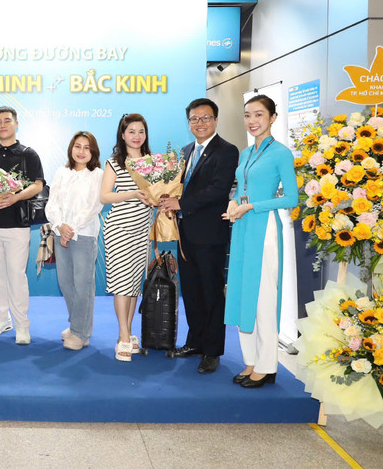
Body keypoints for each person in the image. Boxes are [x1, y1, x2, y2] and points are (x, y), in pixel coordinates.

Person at [158, 98, 239, 374]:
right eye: (194, 118)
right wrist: (166, 196)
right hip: (185, 234)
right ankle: (195, 342)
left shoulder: (227, 150)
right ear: (189, 122)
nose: (200, 123)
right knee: (191, 292)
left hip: (210, 234)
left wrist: (181, 203)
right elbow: (182, 186)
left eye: (205, 118)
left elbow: (218, 189)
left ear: (216, 120)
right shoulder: (186, 151)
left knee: (212, 293)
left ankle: (212, 351)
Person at [223, 94, 297, 388]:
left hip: (264, 228)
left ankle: (267, 365)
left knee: (264, 297)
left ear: (272, 118)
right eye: (247, 115)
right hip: (242, 227)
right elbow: (241, 189)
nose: (252, 121)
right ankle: (251, 360)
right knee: (245, 295)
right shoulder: (245, 153)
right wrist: (233, 203)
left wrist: (252, 206)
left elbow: (291, 198)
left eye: (259, 115)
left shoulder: (281, 153)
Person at [0, 106, 44, 345]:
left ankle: (22, 325)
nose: (2, 125)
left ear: (16, 124)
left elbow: (38, 185)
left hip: (17, 225)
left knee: (16, 275)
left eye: (6, 121)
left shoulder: (28, 154)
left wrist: (16, 196)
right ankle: (1, 319)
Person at [100, 114, 153, 362]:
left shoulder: (153, 162)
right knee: (121, 282)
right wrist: (133, 193)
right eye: (131, 131)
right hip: (119, 229)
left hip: (143, 230)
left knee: (133, 284)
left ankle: (129, 332)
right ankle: (122, 336)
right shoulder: (114, 162)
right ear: (122, 135)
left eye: (141, 131)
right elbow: (104, 197)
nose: (136, 136)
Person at [45, 131, 104, 351]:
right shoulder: (62, 172)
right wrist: (60, 225)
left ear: (93, 152)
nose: (81, 151)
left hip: (84, 235)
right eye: (77, 146)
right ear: (71, 148)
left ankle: (80, 332)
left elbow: (93, 206)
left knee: (83, 285)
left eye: (87, 147)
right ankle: (77, 325)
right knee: (65, 283)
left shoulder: (97, 174)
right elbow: (52, 202)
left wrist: (71, 229)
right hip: (60, 233)